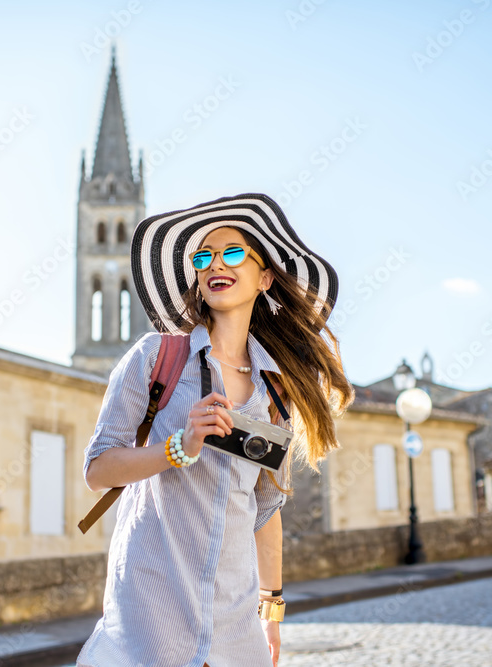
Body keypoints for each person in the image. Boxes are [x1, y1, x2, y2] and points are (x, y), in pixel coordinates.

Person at [77, 193, 354, 667]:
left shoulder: (274, 394)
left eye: (230, 253)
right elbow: (98, 469)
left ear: (264, 277)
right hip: (150, 621)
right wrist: (178, 448)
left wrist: (272, 608)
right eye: (202, 257)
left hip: (235, 630)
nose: (213, 265)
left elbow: (264, 508)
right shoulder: (156, 359)